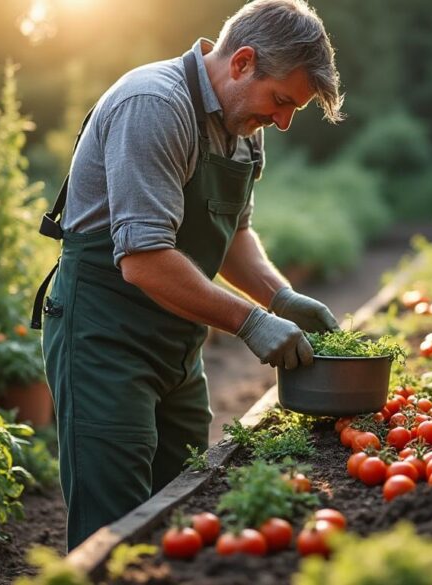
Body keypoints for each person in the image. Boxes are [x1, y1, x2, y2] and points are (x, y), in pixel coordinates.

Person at [29, 0, 343, 551]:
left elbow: (232, 233)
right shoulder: (155, 105)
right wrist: (251, 321)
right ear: (242, 62)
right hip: (105, 336)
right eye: (281, 101)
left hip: (178, 338)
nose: (283, 121)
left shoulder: (244, 122)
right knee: (113, 528)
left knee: (182, 504)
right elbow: (145, 259)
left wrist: (281, 297)